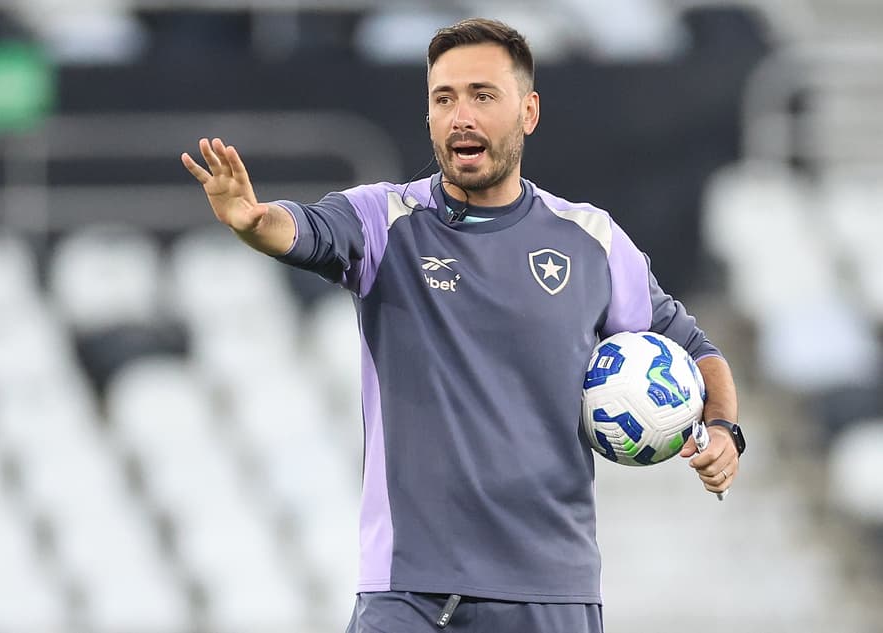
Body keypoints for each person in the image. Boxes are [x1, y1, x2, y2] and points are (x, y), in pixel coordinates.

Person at [182, 17, 743, 633]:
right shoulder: (384, 220)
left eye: (482, 95)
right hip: (410, 592)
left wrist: (722, 430)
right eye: (443, 98)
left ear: (527, 111)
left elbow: (695, 351)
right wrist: (254, 222)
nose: (460, 116)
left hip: (550, 591)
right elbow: (305, 231)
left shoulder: (592, 240)